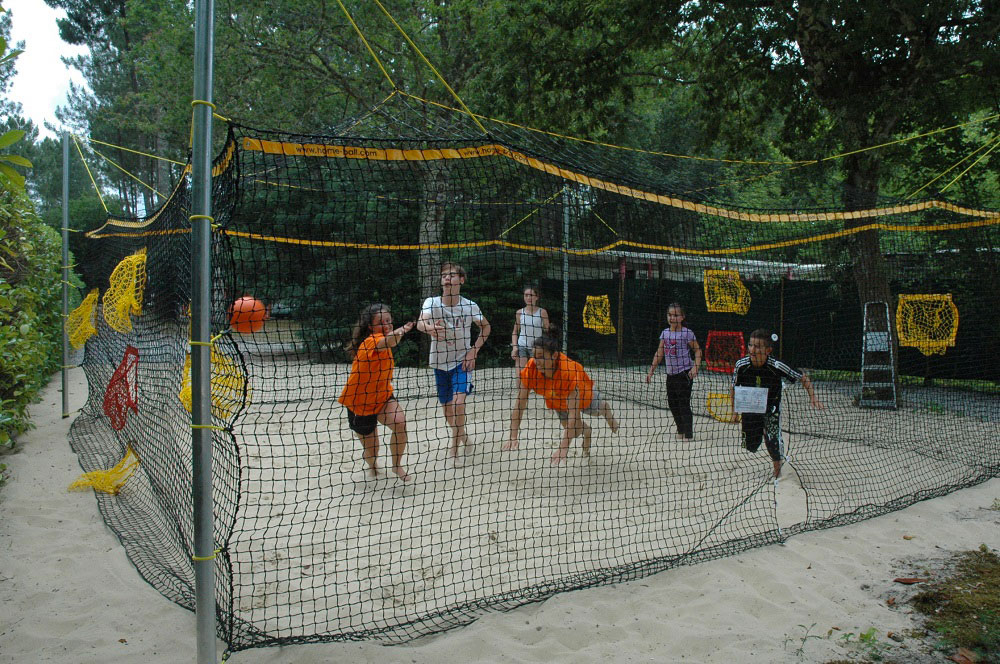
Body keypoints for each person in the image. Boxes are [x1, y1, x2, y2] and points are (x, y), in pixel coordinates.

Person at [417, 262, 491, 466]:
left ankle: (454, 450)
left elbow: (486, 327)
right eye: (444, 276)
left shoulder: (469, 306)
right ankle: (464, 437)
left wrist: (473, 351)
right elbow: (420, 323)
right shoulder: (432, 302)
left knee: (459, 404)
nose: (447, 278)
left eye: (451, 275)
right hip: (439, 363)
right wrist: (430, 328)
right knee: (448, 412)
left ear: (461, 280)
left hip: (461, 362)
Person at [505, 336, 619, 465]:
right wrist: (513, 436)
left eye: (541, 356)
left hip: (582, 393)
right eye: (534, 356)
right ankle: (587, 431)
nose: (537, 361)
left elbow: (573, 415)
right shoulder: (530, 370)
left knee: (597, 410)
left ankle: (605, 409)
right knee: (574, 432)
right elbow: (519, 404)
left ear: (554, 355)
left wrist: (563, 448)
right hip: (557, 400)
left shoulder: (567, 372)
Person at [729, 329, 823, 478]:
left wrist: (813, 397)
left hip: (771, 407)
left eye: (758, 346)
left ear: (768, 350)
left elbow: (802, 377)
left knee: (771, 438)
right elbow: (733, 387)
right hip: (750, 407)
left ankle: (777, 469)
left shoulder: (777, 365)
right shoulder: (741, 365)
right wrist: (734, 411)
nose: (753, 349)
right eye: (751, 345)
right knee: (751, 443)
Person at [338, 303, 415, 482]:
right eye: (381, 322)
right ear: (371, 327)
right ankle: (372, 466)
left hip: (382, 397)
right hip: (359, 403)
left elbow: (391, 339)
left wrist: (400, 331)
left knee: (400, 423)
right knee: (372, 452)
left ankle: (396, 465)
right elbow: (390, 340)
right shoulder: (371, 341)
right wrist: (402, 330)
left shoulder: (386, 337)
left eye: (388, 320)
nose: (386, 325)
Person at [645, 302, 701, 440]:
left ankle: (688, 434)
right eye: (669, 315)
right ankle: (680, 430)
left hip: (684, 374)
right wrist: (651, 371)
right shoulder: (665, 333)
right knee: (672, 403)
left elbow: (698, 350)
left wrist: (695, 367)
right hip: (670, 374)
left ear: (682, 317)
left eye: (675, 315)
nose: (672, 318)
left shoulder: (686, 333)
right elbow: (659, 353)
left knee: (683, 403)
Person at [510, 284, 550, 375]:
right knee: (521, 371)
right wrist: (515, 347)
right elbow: (515, 332)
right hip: (522, 345)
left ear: (537, 297)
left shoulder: (542, 312)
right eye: (526, 295)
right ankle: (520, 389)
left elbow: (548, 331)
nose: (528, 298)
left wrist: (547, 346)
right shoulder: (519, 313)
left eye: (531, 295)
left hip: (537, 347)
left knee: (537, 373)